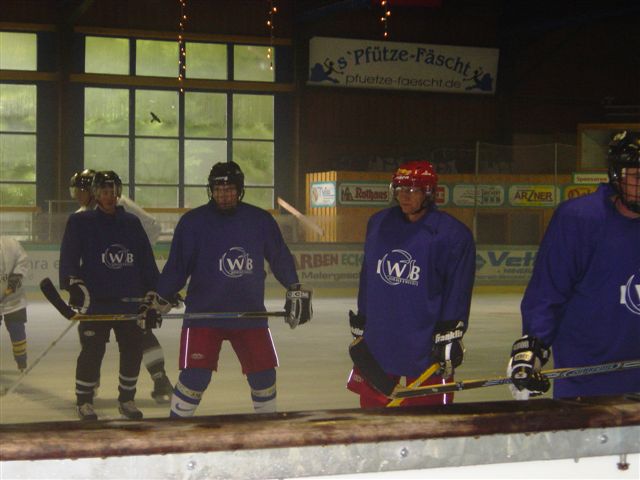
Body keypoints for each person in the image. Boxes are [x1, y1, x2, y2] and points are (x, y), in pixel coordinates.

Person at [138, 160, 312, 417]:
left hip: (250, 314)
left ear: (240, 189)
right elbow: (177, 267)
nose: (223, 195)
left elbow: (279, 257)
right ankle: (174, 431)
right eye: (218, 189)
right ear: (210, 190)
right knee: (194, 378)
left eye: (229, 189)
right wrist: (159, 298)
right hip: (203, 315)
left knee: (264, 377)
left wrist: (294, 287)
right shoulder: (193, 223)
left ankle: (267, 430)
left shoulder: (260, 220)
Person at [508, 130, 640, 400]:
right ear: (617, 175)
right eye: (638, 176)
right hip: (587, 382)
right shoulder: (580, 219)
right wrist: (531, 348)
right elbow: (547, 292)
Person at [347, 160, 476, 408]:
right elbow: (368, 275)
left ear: (429, 193)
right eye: (400, 189)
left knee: (428, 419)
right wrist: (363, 316)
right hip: (381, 337)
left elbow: (458, 290)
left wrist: (451, 332)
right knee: (373, 416)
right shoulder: (378, 224)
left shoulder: (452, 234)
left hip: (425, 342)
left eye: (413, 190)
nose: (404, 196)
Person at [60, 170, 160, 420]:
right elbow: (69, 258)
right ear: (96, 193)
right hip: (96, 302)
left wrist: (153, 291)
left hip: (129, 301)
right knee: (92, 351)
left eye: (113, 191)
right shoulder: (80, 222)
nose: (109, 196)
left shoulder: (131, 222)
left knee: (132, 350)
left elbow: (146, 261)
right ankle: (84, 400)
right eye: (104, 192)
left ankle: (127, 399)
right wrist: (73, 284)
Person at [0, 236, 29, 372]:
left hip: (13, 298)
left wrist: (16, 277)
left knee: (16, 328)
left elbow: (22, 260)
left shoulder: (11, 244)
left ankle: (21, 361)